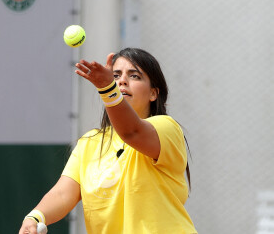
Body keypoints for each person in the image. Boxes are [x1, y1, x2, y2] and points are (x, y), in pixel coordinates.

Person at [19, 47, 197, 234]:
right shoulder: (90, 142)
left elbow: (132, 132)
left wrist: (107, 88)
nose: (122, 81)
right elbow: (63, 193)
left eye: (134, 76)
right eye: (116, 75)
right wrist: (35, 216)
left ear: (153, 94)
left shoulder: (167, 128)